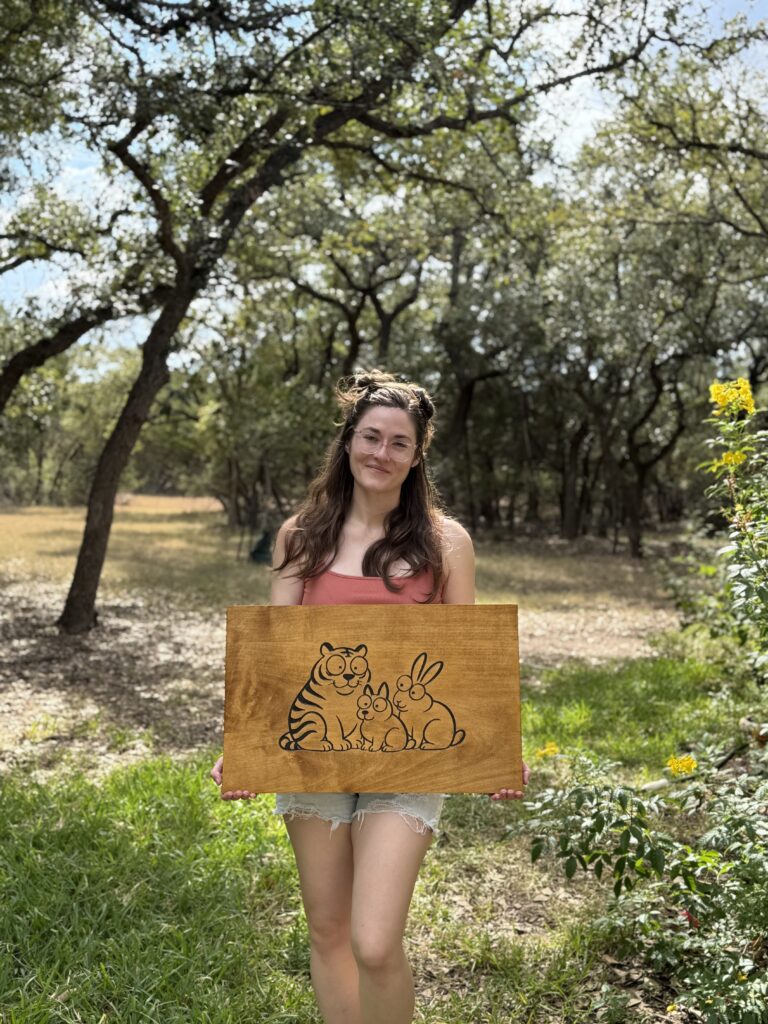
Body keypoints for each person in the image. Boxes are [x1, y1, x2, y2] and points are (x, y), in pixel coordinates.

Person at [211, 369, 529, 1024]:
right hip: (315, 760)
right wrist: (243, 749)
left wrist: (496, 748)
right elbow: (277, 659)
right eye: (370, 437)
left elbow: (463, 660)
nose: (380, 454)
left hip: (406, 759)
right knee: (328, 932)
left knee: (375, 941)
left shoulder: (446, 543)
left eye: (398, 444)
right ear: (348, 442)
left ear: (417, 457)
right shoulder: (300, 537)